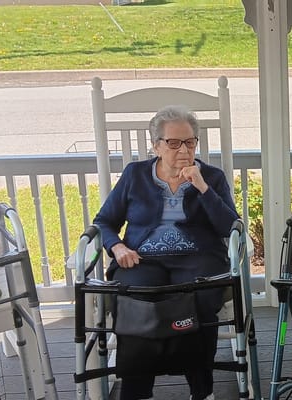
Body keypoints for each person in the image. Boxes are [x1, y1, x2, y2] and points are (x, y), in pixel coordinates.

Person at [93, 105, 239, 400]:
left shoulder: (212, 177)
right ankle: (138, 391)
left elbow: (229, 227)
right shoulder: (135, 175)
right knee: (135, 299)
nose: (183, 149)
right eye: (173, 143)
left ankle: (201, 390)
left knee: (197, 300)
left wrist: (202, 187)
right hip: (143, 259)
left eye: (190, 142)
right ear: (156, 146)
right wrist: (117, 246)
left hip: (199, 258)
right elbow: (104, 221)